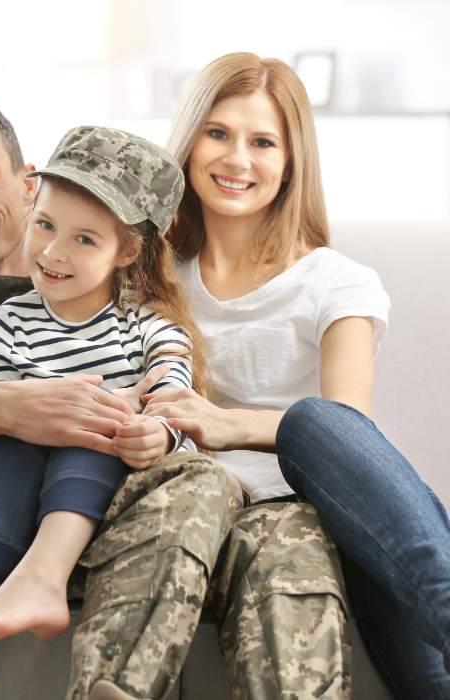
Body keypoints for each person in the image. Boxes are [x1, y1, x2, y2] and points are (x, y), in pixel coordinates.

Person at [0, 93, 351, 700]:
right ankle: (16, 615)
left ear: (24, 184)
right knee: (182, 478)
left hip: (136, 498)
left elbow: (173, 384)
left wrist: (167, 426)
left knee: (256, 520)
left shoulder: (133, 296)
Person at [133, 53, 450, 699]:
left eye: (262, 142)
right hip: (194, 500)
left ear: (291, 161)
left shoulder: (337, 280)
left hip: (322, 501)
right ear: (188, 141)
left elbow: (347, 430)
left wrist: (228, 425)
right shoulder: (142, 269)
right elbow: (26, 239)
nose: (237, 159)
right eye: (218, 133)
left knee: (320, 422)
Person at [0, 125, 207, 675]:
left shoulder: (144, 326)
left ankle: (43, 578)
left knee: (93, 432)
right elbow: (2, 397)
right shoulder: (10, 322)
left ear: (127, 250)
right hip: (24, 453)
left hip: (108, 455)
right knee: (3, 453)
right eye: (44, 224)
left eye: (84, 239)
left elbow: (173, 390)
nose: (53, 251)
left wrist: (156, 430)